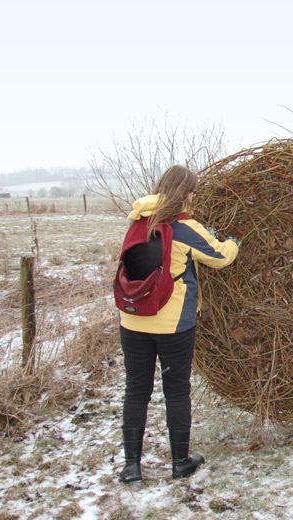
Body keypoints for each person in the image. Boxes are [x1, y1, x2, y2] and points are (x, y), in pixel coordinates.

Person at [117, 165, 240, 483]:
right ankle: (180, 462)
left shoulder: (137, 218)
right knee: (175, 392)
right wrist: (233, 242)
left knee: (136, 391)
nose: (193, 196)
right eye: (192, 191)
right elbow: (220, 257)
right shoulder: (184, 227)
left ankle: (131, 466)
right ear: (185, 192)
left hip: (132, 318)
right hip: (173, 325)